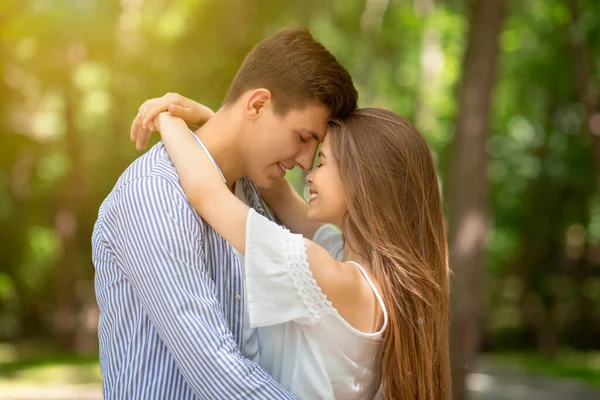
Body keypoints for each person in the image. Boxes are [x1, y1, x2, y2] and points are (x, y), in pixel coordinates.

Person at [91, 27, 357, 399]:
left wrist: (209, 119)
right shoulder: (154, 193)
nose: (304, 162)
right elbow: (215, 369)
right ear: (258, 105)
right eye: (302, 138)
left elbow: (335, 257)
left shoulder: (252, 193)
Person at [133, 106, 452, 399]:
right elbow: (278, 190)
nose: (309, 174)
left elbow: (205, 194)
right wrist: (216, 121)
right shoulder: (356, 270)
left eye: (323, 162)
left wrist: (166, 118)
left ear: (362, 179)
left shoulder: (332, 276)